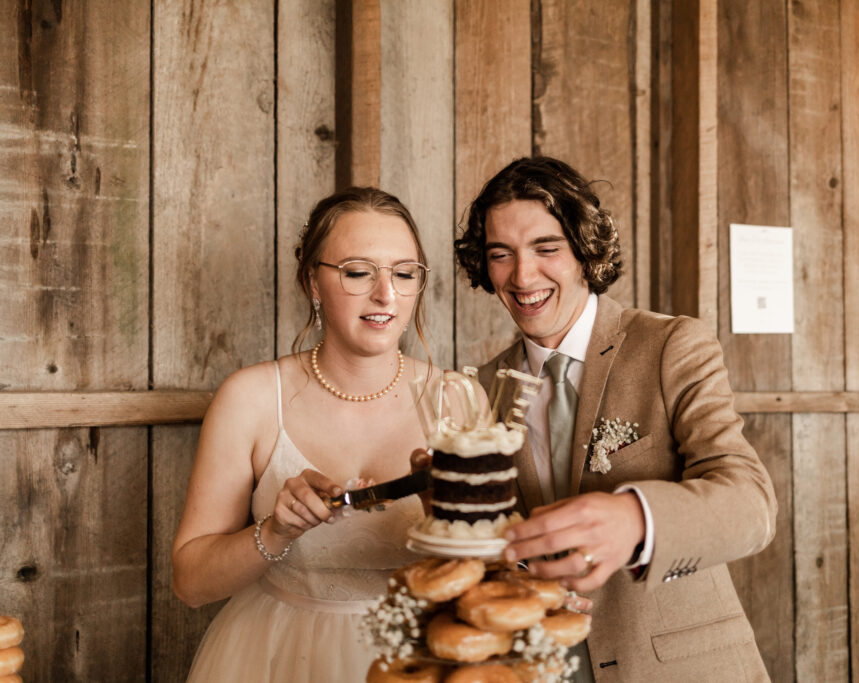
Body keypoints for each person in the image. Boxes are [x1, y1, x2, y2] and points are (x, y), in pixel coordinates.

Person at [454, 156, 778, 682]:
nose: (523, 275)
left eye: (546, 248)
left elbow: (751, 504)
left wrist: (635, 519)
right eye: (500, 254)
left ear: (584, 251)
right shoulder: (477, 390)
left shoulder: (672, 345)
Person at [172, 187, 437, 681]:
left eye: (404, 274)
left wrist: (446, 520)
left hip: (423, 661)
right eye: (358, 272)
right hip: (276, 656)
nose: (387, 295)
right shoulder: (249, 398)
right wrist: (276, 530)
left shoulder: (459, 399)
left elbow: (493, 567)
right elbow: (190, 583)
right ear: (314, 282)